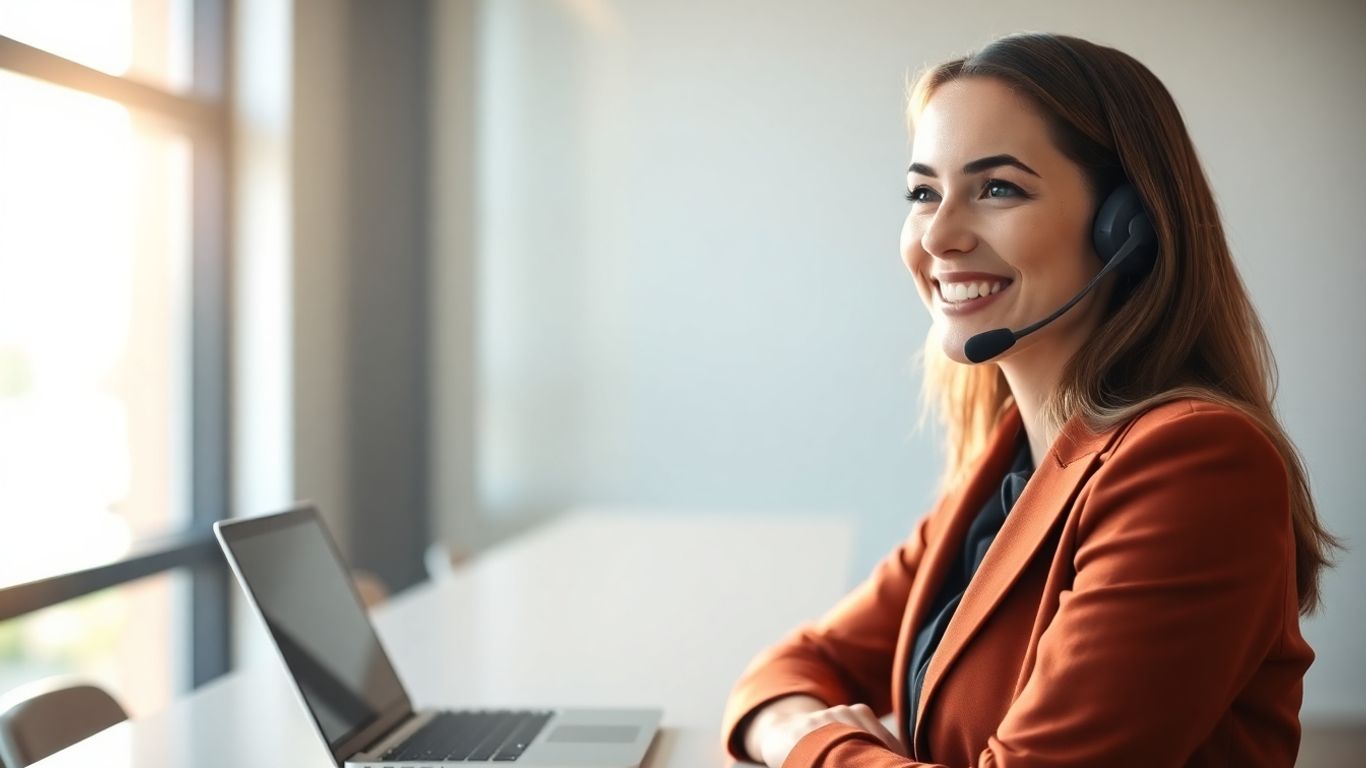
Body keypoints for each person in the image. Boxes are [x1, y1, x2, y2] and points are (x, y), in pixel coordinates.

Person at [721, 32, 1338, 768]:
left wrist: (814, 743)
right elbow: (786, 670)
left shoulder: (1194, 465)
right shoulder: (1009, 459)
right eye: (924, 193)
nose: (940, 236)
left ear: (1126, 229)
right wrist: (795, 724)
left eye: (997, 188)